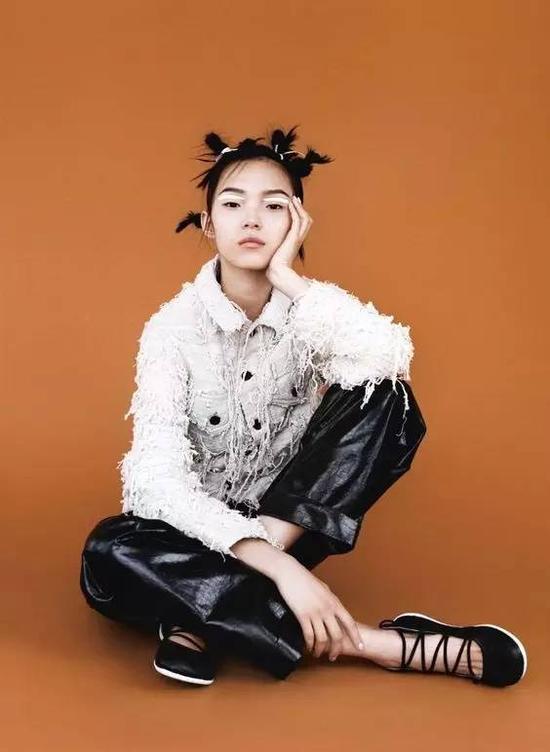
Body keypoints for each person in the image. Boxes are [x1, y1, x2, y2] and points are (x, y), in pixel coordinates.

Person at [80, 125, 527, 688]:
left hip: (290, 521)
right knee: (107, 553)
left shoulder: (310, 314)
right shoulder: (170, 330)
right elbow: (154, 480)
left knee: (386, 395)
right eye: (232, 204)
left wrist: (288, 278)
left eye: (273, 206)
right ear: (208, 222)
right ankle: (378, 643)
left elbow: (390, 359)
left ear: (297, 222)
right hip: (195, 533)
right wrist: (279, 568)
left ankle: (195, 615)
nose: (251, 219)